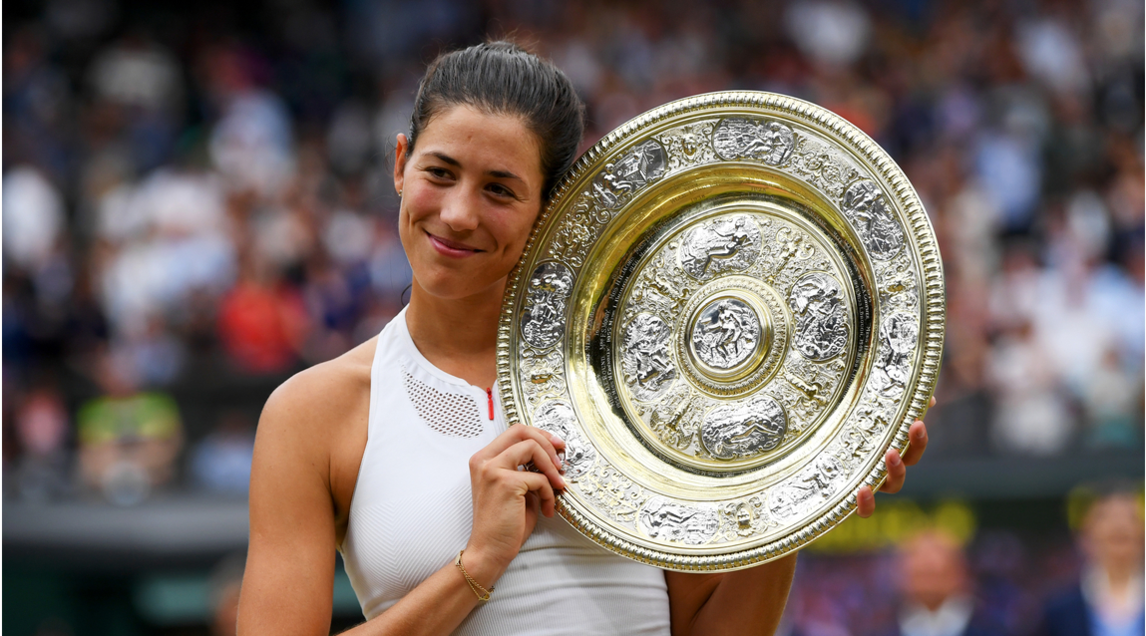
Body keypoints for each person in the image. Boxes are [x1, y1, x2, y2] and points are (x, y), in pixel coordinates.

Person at [236, 41, 932, 636]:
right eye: (439, 173)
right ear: (399, 163)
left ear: (551, 208)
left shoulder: (646, 387)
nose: (458, 214)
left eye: (500, 190)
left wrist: (796, 492)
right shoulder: (314, 414)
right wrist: (476, 566)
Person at [1036, 488, 1145, 636]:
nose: (1119, 525)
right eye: (1105, 516)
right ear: (1086, 535)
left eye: (1131, 517)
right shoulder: (1059, 609)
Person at [877, 529, 1008, 636]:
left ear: (961, 572)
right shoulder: (881, 630)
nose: (927, 562)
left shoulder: (993, 629)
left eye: (935, 573)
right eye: (921, 575)